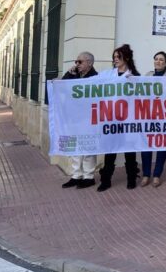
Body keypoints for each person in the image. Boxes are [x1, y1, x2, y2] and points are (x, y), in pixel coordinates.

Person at [97, 44, 140, 192]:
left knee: (129, 151)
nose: (115, 59)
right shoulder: (107, 75)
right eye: (114, 57)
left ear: (126, 58)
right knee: (110, 151)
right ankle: (106, 180)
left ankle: (131, 178)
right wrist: (72, 74)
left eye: (118, 57)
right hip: (112, 119)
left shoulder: (135, 77)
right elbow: (90, 83)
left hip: (128, 120)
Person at [60, 51, 99, 189]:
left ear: (89, 63)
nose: (77, 64)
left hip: (87, 118)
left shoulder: (95, 77)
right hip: (72, 117)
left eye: (80, 62)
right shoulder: (73, 74)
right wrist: (69, 73)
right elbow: (61, 87)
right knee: (73, 147)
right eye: (76, 61)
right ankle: (76, 175)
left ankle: (88, 176)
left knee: (87, 147)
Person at [141, 51, 166, 188]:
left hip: (164, 117)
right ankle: (146, 174)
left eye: (161, 59)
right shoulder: (147, 75)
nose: (158, 61)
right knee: (146, 147)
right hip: (148, 116)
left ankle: (157, 175)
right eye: (156, 59)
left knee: (161, 147)